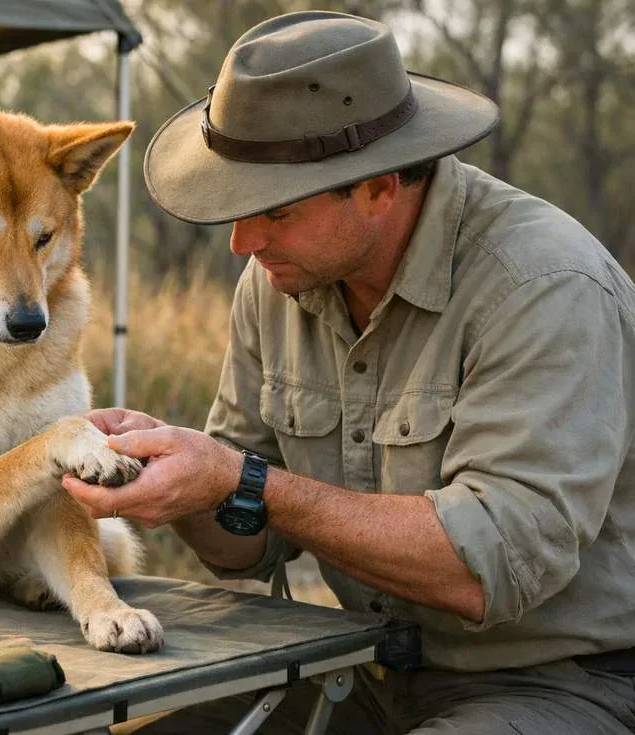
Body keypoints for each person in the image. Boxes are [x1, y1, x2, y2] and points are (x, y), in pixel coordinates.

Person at [62, 10, 635, 734]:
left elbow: (487, 567)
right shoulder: (277, 280)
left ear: (381, 186)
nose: (243, 242)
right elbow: (250, 545)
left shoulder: (544, 285)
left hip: (561, 684)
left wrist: (244, 480)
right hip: (364, 669)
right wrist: (179, 480)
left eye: (275, 210)